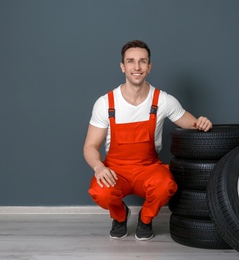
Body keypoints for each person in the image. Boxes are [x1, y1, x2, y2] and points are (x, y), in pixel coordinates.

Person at [83, 40, 212, 241]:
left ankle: (145, 219)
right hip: (116, 170)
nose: (136, 67)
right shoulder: (105, 103)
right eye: (131, 61)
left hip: (148, 168)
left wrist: (201, 122)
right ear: (122, 66)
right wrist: (99, 167)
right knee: (100, 192)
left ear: (149, 67)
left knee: (165, 185)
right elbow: (90, 146)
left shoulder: (162, 99)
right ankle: (120, 216)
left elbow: (192, 123)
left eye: (142, 61)